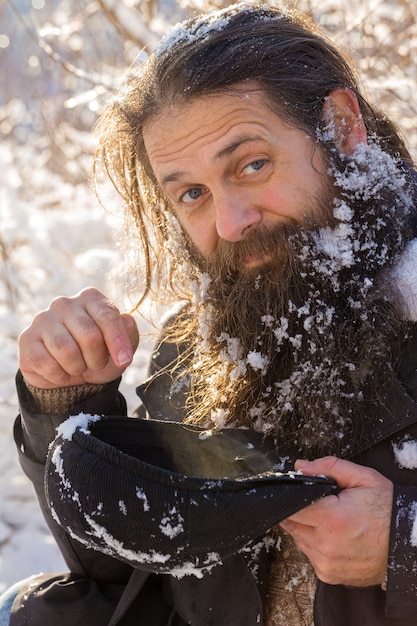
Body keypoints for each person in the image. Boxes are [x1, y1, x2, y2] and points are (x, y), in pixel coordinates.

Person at [4, 2, 417, 624]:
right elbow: (124, 581)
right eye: (192, 194)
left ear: (340, 126)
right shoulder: (203, 346)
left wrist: (404, 548)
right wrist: (70, 410)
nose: (231, 223)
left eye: (252, 165)